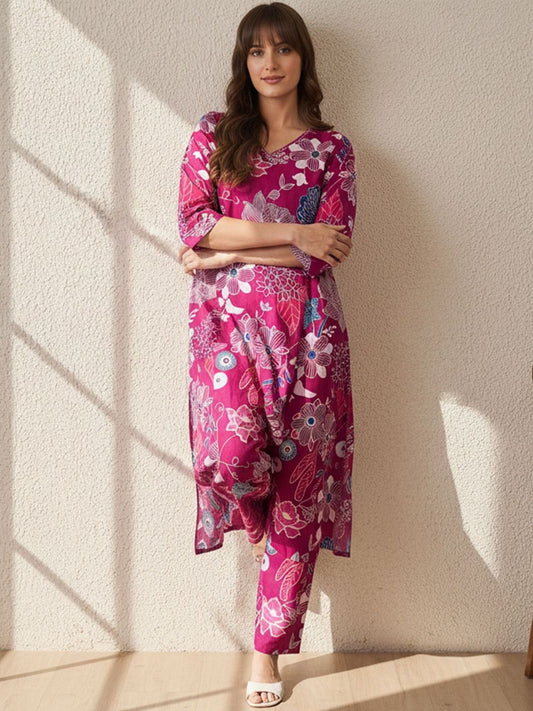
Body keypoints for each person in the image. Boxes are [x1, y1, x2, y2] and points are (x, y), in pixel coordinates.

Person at [177, 2, 357, 707]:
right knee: (229, 453)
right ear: (243, 61)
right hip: (225, 331)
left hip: (311, 335)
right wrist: (292, 235)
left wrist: (226, 248)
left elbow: (331, 245)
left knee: (298, 495)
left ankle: (266, 654)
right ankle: (252, 522)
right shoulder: (213, 134)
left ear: (302, 59)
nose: (271, 62)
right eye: (257, 51)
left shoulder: (332, 150)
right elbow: (193, 222)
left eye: (283, 49)